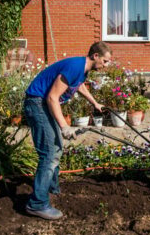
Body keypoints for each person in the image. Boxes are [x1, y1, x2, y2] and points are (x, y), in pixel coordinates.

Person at [24, 41, 112, 220]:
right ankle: (37, 204)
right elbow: (52, 97)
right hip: (37, 103)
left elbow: (78, 85)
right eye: (105, 61)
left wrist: (95, 103)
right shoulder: (75, 66)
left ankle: (52, 188)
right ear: (96, 56)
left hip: (42, 103)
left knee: (56, 148)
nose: (106, 65)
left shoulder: (82, 69)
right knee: (49, 153)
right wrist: (64, 126)